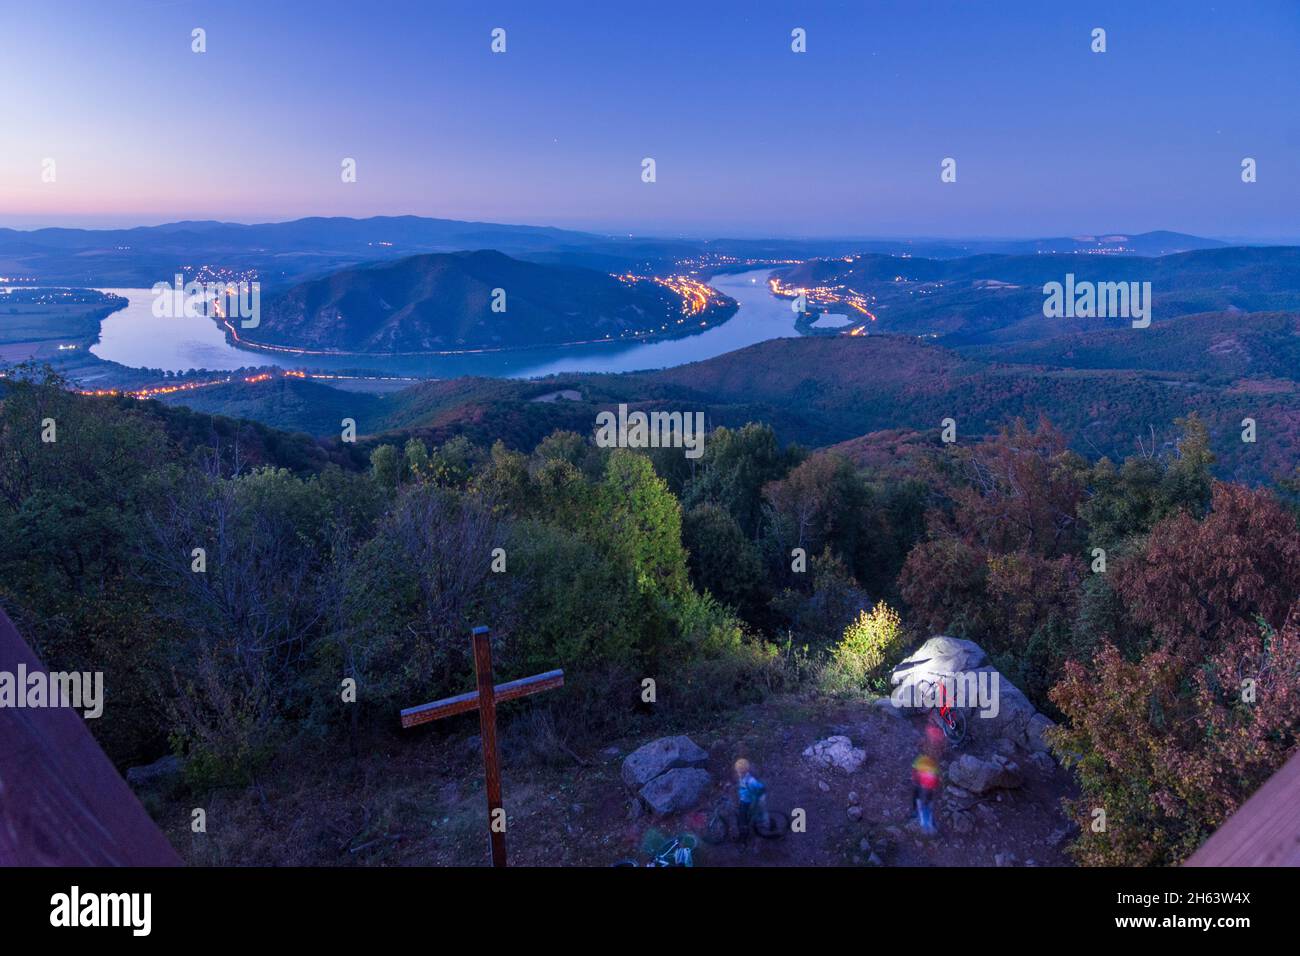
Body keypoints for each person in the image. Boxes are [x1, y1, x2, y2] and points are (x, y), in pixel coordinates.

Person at [911, 724, 944, 836]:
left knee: (922, 799)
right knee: (924, 800)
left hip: (925, 777)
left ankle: (924, 823)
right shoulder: (928, 758)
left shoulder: (923, 758)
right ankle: (925, 823)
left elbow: (917, 770)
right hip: (927, 776)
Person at [734, 758, 769, 838]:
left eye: (738, 771)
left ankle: (744, 836)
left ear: (742, 771)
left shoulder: (750, 780)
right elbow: (742, 786)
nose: (737, 773)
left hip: (748, 801)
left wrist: (760, 798)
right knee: (741, 813)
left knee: (742, 819)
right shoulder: (742, 777)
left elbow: (761, 788)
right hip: (744, 799)